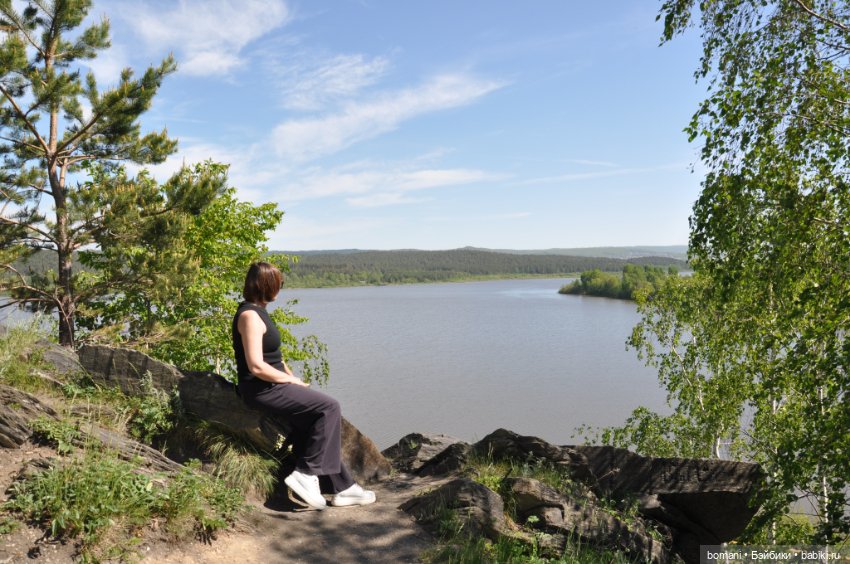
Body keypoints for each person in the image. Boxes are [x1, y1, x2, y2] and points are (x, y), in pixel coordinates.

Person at [232, 261, 375, 510]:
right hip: (261, 389)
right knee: (330, 407)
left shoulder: (259, 312)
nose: (280, 288)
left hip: (274, 385)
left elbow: (275, 357)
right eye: (279, 284)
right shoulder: (249, 316)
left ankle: (345, 488)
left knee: (314, 423)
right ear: (267, 285)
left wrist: (293, 378)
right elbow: (255, 366)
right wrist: (290, 380)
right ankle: (306, 474)